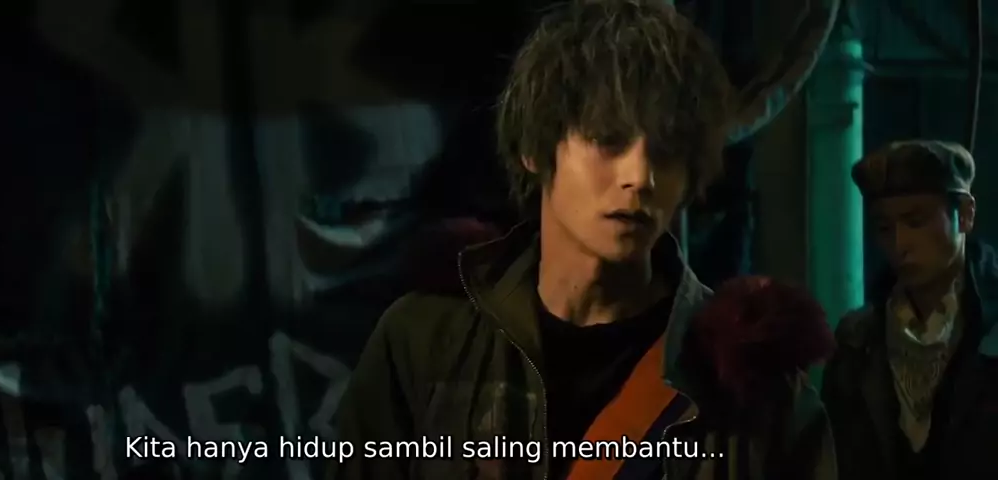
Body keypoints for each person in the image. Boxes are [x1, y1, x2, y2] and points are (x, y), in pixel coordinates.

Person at [329, 1, 837, 479]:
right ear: (536, 149)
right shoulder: (425, 345)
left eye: (667, 150)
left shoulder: (753, 387)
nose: (639, 176)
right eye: (607, 140)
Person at [822, 140, 998, 480]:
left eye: (916, 221)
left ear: (965, 214)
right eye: (884, 227)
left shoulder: (990, 326)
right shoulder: (857, 341)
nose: (899, 244)